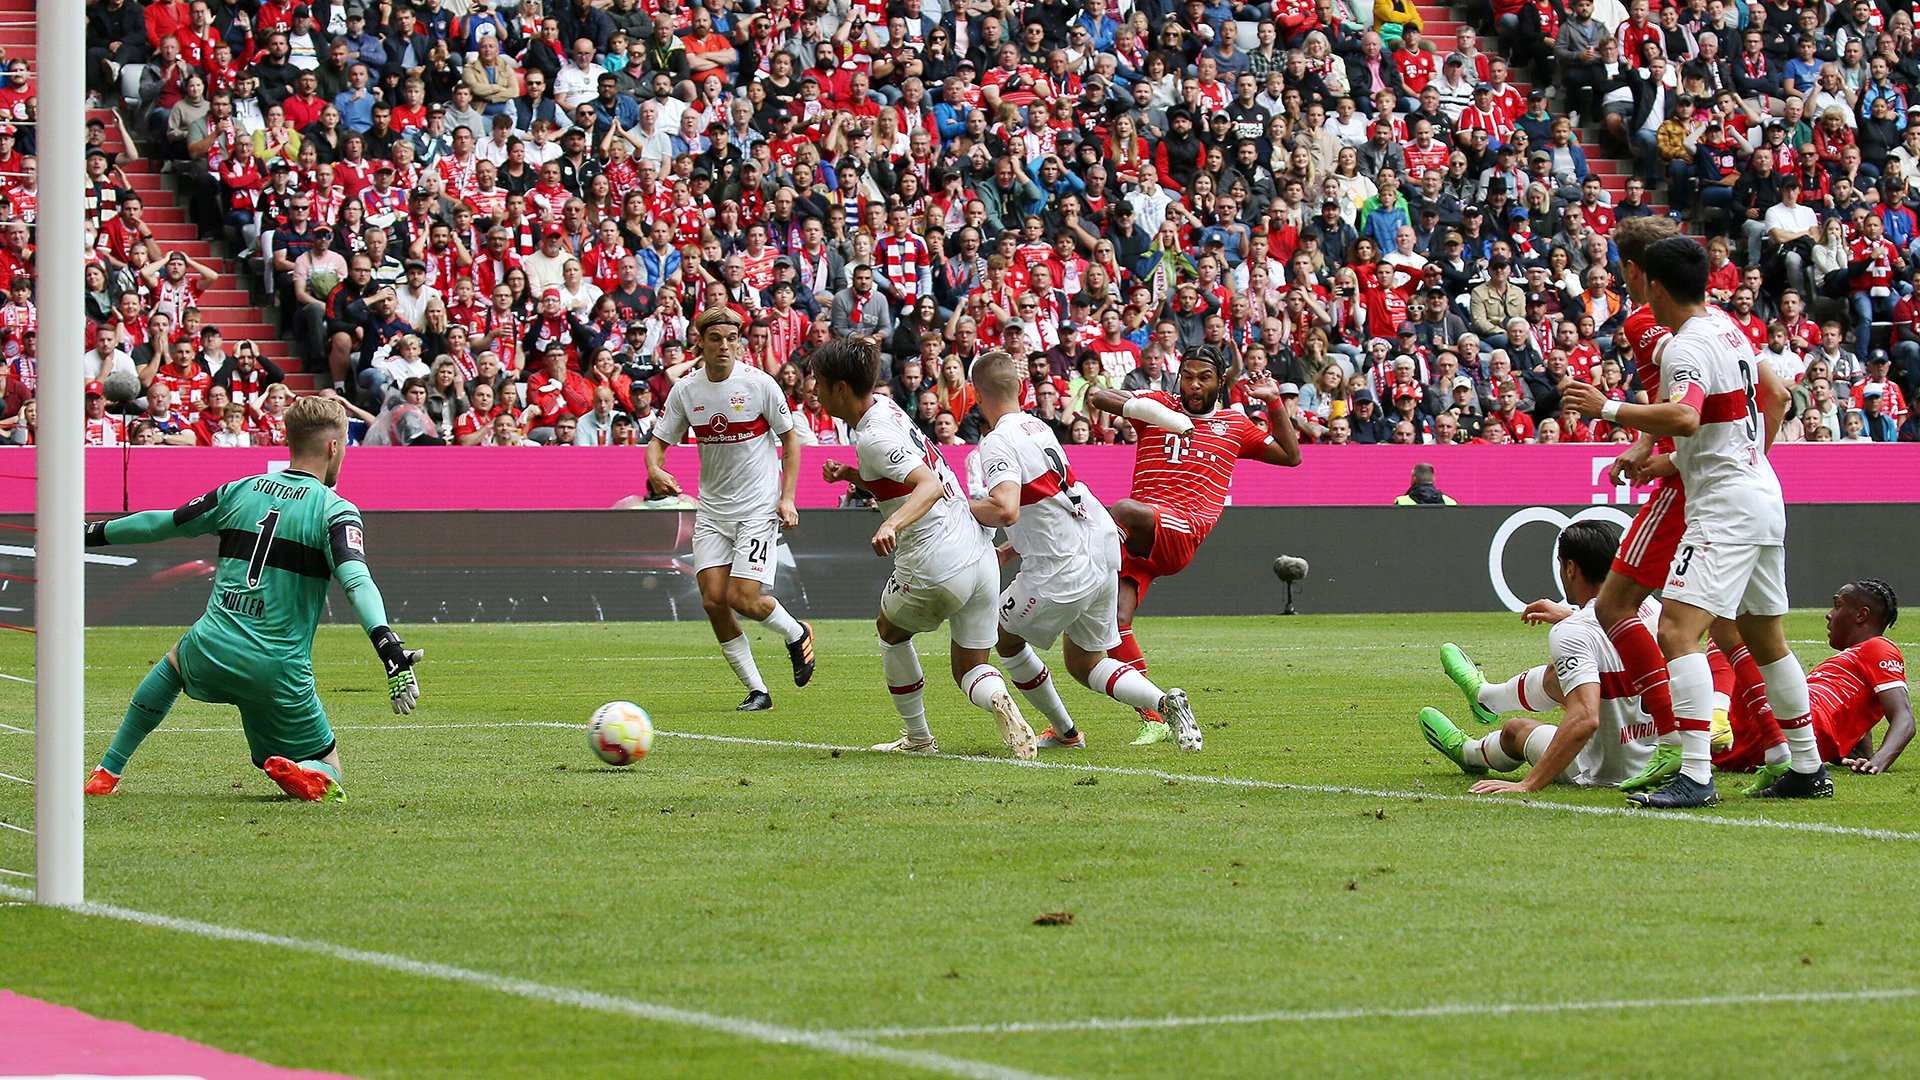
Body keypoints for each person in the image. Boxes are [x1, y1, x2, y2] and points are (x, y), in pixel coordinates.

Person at [1565, 234, 1827, 807]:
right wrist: (1680, 457)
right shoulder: (1730, 328)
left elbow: (1684, 416)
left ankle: (1695, 774)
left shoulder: (1683, 346)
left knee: (1677, 632)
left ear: (1654, 286)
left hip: (1724, 508)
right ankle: (1806, 767)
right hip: (1761, 491)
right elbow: (1766, 400)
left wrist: (1606, 408)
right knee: (1765, 638)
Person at [80, 396, 421, 802]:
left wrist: (91, 533)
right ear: (334, 447)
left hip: (212, 648)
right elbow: (357, 582)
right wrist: (387, 644)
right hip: (278, 670)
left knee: (172, 666)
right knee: (331, 767)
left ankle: (108, 769)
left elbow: (162, 523)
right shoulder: (335, 510)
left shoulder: (238, 491)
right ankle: (307, 770)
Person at [813, 337, 1037, 760]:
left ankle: (918, 738)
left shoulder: (874, 435)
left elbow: (928, 485)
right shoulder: (887, 408)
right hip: (979, 554)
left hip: (937, 558)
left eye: (820, 384)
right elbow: (898, 475)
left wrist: (892, 524)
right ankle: (998, 700)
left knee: (890, 632)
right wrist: (851, 475)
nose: (816, 393)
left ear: (841, 388)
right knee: (970, 665)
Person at [966, 351, 1202, 752]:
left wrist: (957, 507)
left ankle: (1065, 732)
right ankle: (1163, 702)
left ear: (976, 395)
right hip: (1099, 547)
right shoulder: (1037, 426)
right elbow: (1047, 501)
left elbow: (1005, 508)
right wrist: (1013, 548)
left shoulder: (996, 443)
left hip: (1062, 567)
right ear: (1022, 389)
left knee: (1002, 637)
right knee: (1084, 662)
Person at [1085, 346, 1303, 745]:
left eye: (1204, 376)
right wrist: (1158, 414)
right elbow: (1098, 397)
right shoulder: (1159, 405)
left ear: (1221, 381)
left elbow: (1291, 457)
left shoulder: (1233, 426)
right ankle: (1155, 717)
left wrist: (1273, 402)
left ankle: (1071, 567)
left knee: (1121, 509)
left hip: (1180, 529)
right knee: (1113, 625)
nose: (1194, 384)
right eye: (1187, 375)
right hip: (1141, 544)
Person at [645, 306, 814, 712]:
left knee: (743, 597)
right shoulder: (686, 390)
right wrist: (654, 468)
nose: (724, 346)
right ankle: (758, 690)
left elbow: (790, 441)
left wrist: (787, 497)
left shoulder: (760, 385)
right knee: (712, 601)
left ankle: (796, 633)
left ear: (738, 342)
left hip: (756, 509)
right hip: (714, 512)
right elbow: (658, 442)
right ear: (699, 342)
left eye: (731, 339)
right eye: (715, 339)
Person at [1418, 520, 1660, 793]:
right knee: (1577, 671)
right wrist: (1571, 614)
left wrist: (1528, 784)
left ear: (1570, 568)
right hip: (1663, 759)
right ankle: (1486, 698)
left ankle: (1469, 747)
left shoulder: (1572, 632)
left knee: (1515, 730)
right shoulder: (1651, 607)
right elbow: (1613, 633)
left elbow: (1585, 718)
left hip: (1603, 770)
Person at [1716, 580, 1911, 790]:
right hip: (1753, 746)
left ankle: (1712, 716)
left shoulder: (1878, 646)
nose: (1829, 614)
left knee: (1731, 624)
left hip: (1781, 728)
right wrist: (1853, 755)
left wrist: (1879, 761)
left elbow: (1904, 717)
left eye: (1837, 605)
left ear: (1861, 615)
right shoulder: (1850, 664)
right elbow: (1854, 717)